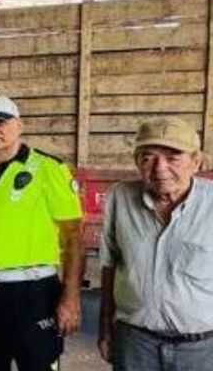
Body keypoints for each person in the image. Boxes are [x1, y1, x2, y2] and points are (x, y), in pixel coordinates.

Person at [0, 96, 84, 371]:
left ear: (19, 126)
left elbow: (73, 237)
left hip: (32, 293)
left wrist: (70, 298)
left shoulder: (49, 169)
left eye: (1, 122)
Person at [98, 117, 213, 369]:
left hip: (202, 348)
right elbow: (110, 266)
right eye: (148, 158)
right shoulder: (120, 197)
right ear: (136, 162)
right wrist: (105, 327)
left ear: (196, 162)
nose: (160, 169)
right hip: (135, 343)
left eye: (173, 158)